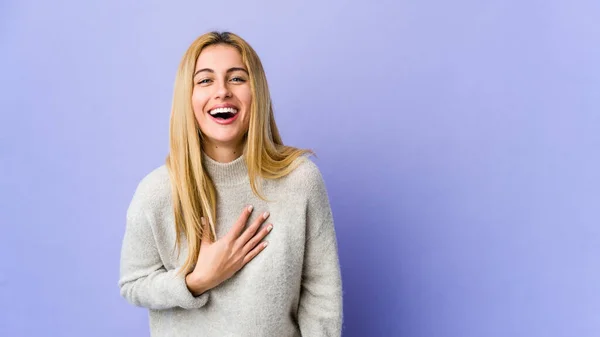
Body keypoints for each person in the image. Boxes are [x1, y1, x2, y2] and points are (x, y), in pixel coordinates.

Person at [118, 31, 343, 337]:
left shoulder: (300, 180)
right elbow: (133, 284)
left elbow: (321, 296)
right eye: (205, 80)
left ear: (257, 91)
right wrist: (197, 280)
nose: (222, 91)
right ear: (188, 97)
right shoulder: (156, 191)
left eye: (237, 78)